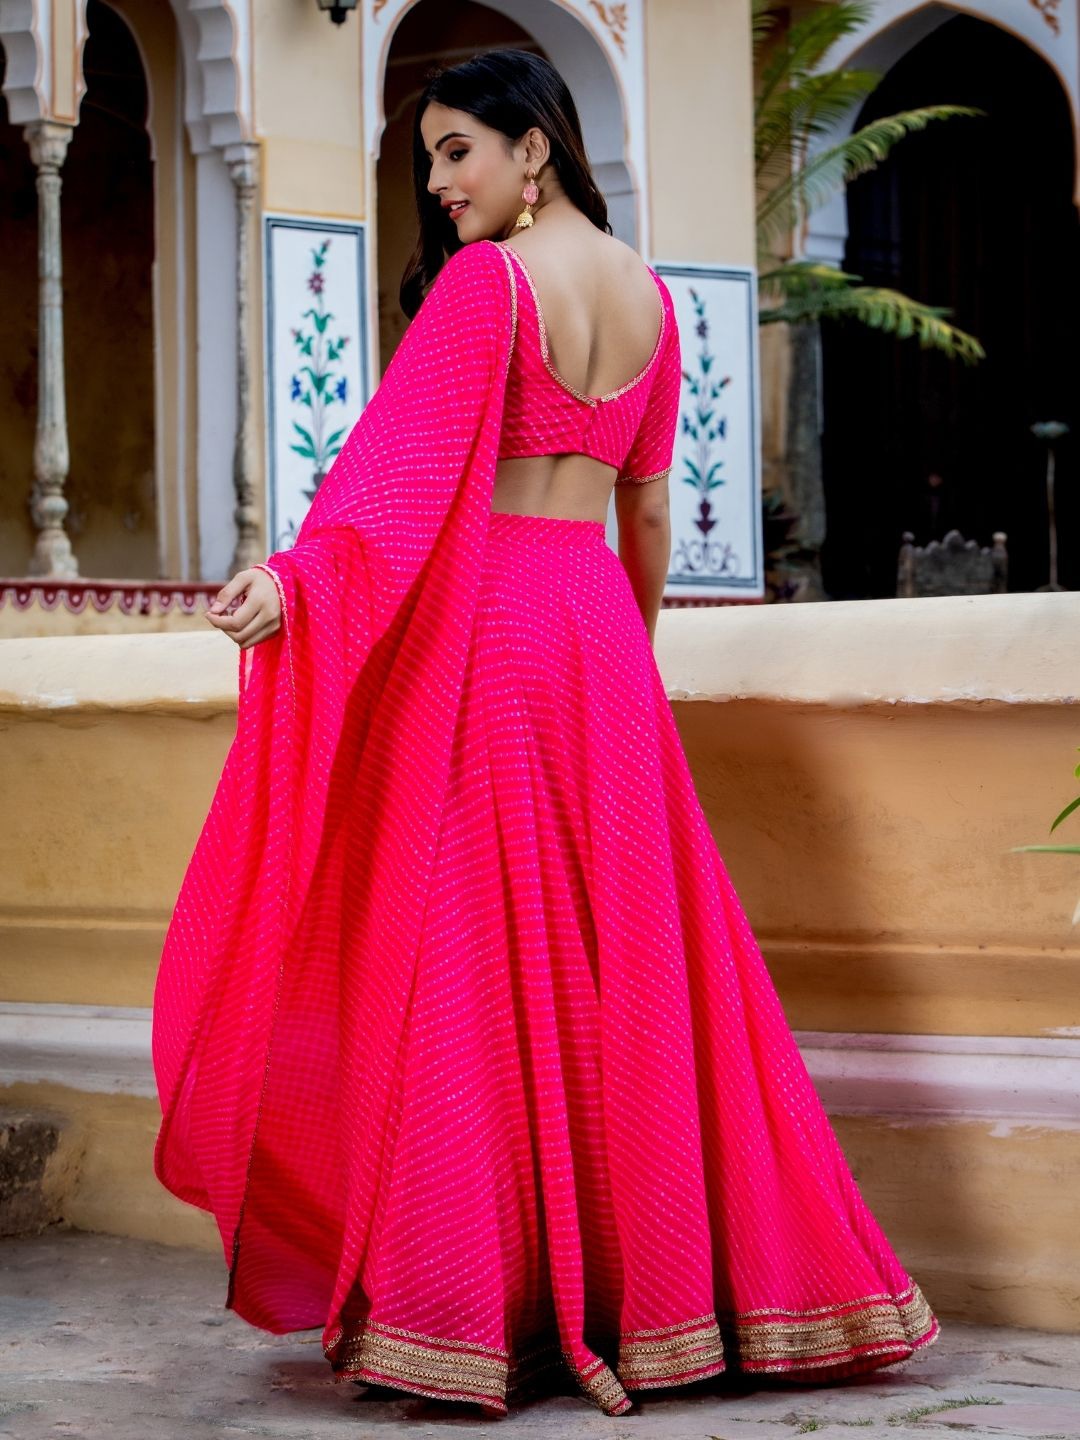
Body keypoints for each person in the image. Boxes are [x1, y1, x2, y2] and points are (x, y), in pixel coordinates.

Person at [151, 49, 939, 1420]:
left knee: (467, 963)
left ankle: (466, 1303)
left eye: (458, 150)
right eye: (429, 160)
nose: (439, 184)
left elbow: (389, 485)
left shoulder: (489, 288)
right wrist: (626, 663)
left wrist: (294, 581)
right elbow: (649, 516)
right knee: (625, 969)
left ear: (536, 148)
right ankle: (666, 1303)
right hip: (598, 639)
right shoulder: (652, 298)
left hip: (491, 636)